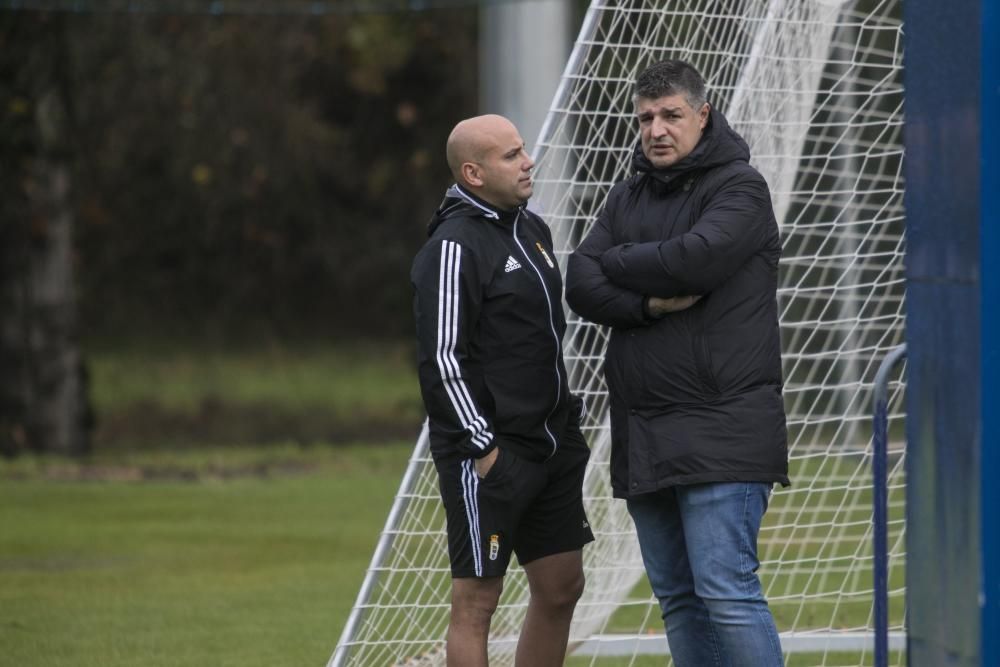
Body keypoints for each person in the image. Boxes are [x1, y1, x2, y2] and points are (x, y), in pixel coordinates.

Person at [565, 60, 789, 667]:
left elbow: (696, 259)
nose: (656, 129)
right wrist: (646, 301)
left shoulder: (740, 187)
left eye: (670, 115)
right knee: (679, 602)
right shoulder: (628, 191)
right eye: (645, 118)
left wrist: (619, 261)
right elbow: (579, 281)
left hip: (724, 425)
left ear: (702, 114)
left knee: (727, 594)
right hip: (645, 431)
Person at [411, 114, 594, 667]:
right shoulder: (452, 247)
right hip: (490, 454)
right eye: (511, 155)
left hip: (552, 445)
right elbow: (443, 362)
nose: (527, 161)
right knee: (477, 604)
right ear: (473, 172)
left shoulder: (531, 228)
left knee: (562, 585)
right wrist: (485, 451)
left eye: (523, 150)